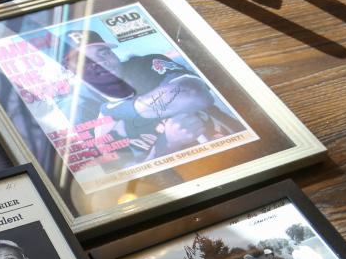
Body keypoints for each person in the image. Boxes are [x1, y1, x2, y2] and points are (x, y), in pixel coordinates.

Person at [52, 30, 243, 168]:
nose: (100, 62)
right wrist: (168, 143)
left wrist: (121, 109)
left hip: (236, 145)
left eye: (103, 53)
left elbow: (194, 94)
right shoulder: (78, 109)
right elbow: (119, 174)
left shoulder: (144, 65)